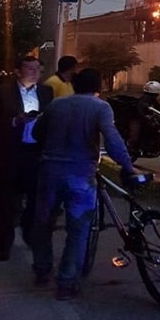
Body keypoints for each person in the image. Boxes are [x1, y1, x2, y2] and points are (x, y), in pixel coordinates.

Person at [30, 68, 136, 301]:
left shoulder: (57, 105)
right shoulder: (100, 107)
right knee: (78, 231)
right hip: (80, 176)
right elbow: (113, 139)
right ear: (98, 86)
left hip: (50, 172)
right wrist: (127, 166)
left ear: (75, 85)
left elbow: (37, 133)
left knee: (44, 224)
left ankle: (42, 270)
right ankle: (66, 283)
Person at [0, 54, 55, 260]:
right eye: (29, 69)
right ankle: (3, 244)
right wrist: (14, 121)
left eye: (37, 69)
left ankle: (29, 232)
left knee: (35, 199)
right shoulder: (2, 92)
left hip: (35, 153)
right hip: (9, 153)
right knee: (5, 201)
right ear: (17, 71)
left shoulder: (46, 92)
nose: (34, 73)